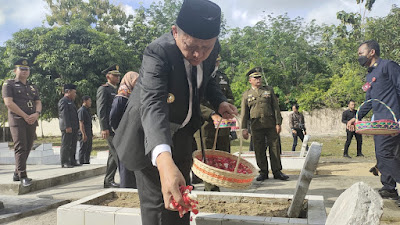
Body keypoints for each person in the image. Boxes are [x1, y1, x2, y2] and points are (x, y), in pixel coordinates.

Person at [113, 0, 237, 224]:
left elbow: (206, 81)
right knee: (160, 207)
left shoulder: (211, 47)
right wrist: (163, 160)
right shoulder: (158, 52)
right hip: (149, 138)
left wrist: (220, 101)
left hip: (182, 136)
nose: (198, 55)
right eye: (191, 46)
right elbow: (152, 104)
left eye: (206, 48)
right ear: (175, 32)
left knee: (181, 203)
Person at [347, 40, 400, 207]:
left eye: (361, 53)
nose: (359, 57)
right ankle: (389, 187)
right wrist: (357, 116)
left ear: (371, 52)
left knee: (385, 154)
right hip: (379, 123)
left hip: (392, 121)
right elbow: (369, 101)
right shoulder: (370, 74)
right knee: (383, 154)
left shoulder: (388, 66)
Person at [241, 67, 288, 181]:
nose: (258, 80)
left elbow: (276, 108)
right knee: (259, 149)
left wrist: (278, 123)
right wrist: (244, 129)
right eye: (255, 78)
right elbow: (244, 113)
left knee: (275, 148)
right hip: (256, 126)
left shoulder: (268, 90)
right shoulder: (246, 94)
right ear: (250, 80)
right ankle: (263, 172)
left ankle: (277, 171)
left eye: (259, 78)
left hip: (270, 124)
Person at [195, 55, 235, 191]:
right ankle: (210, 186)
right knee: (207, 156)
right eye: (214, 61)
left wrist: (226, 107)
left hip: (222, 124)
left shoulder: (223, 77)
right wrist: (211, 114)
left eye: (217, 61)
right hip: (205, 124)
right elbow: (194, 102)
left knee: (222, 154)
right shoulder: (197, 76)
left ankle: (222, 181)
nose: (216, 63)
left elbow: (229, 97)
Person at [2, 58, 42, 187]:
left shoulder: (32, 86)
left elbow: (38, 102)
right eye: (22, 69)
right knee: (20, 146)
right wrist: (25, 115)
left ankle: (17, 172)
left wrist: (36, 114)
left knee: (29, 146)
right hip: (18, 120)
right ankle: (23, 175)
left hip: (31, 120)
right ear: (15, 70)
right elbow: (9, 103)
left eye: (27, 69)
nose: (24, 71)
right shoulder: (9, 84)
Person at [110, 71, 139, 188]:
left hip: (133, 136)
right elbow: (113, 117)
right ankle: (126, 188)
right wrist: (121, 130)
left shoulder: (134, 96)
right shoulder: (121, 97)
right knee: (126, 165)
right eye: (135, 81)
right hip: (124, 136)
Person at [97, 64, 121, 188]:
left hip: (116, 127)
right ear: (108, 76)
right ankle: (124, 178)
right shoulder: (104, 89)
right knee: (117, 153)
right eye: (115, 75)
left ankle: (108, 180)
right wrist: (103, 128)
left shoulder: (116, 90)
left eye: (118, 75)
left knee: (113, 154)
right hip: (109, 128)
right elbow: (101, 110)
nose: (117, 77)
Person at [58, 84, 80, 168]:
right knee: (66, 145)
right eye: (74, 92)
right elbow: (64, 115)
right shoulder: (63, 101)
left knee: (73, 144)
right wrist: (67, 126)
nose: (75, 94)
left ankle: (72, 160)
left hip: (73, 127)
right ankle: (64, 162)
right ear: (68, 92)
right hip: (67, 127)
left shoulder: (71, 102)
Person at [78, 95, 93, 164]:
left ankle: (87, 161)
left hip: (89, 132)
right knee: (83, 148)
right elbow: (81, 123)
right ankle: (81, 162)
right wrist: (83, 134)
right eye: (89, 101)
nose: (90, 102)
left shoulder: (87, 110)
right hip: (84, 132)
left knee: (88, 149)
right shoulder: (82, 110)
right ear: (85, 101)